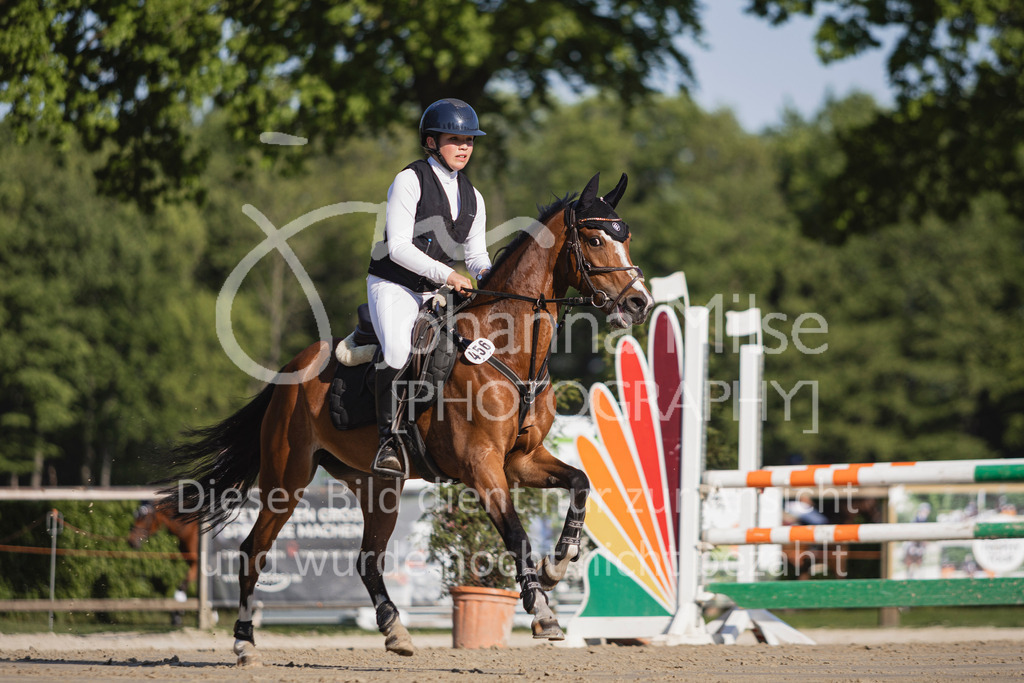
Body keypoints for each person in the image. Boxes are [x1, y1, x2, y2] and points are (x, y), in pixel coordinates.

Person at [365, 98, 492, 477]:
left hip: (435, 292)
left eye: (469, 140)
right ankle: (388, 442)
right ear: (432, 142)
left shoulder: (474, 197)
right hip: (393, 284)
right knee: (399, 350)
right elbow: (398, 247)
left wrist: (489, 274)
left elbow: (476, 256)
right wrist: (448, 275)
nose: (464, 147)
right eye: (456, 139)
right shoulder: (410, 180)